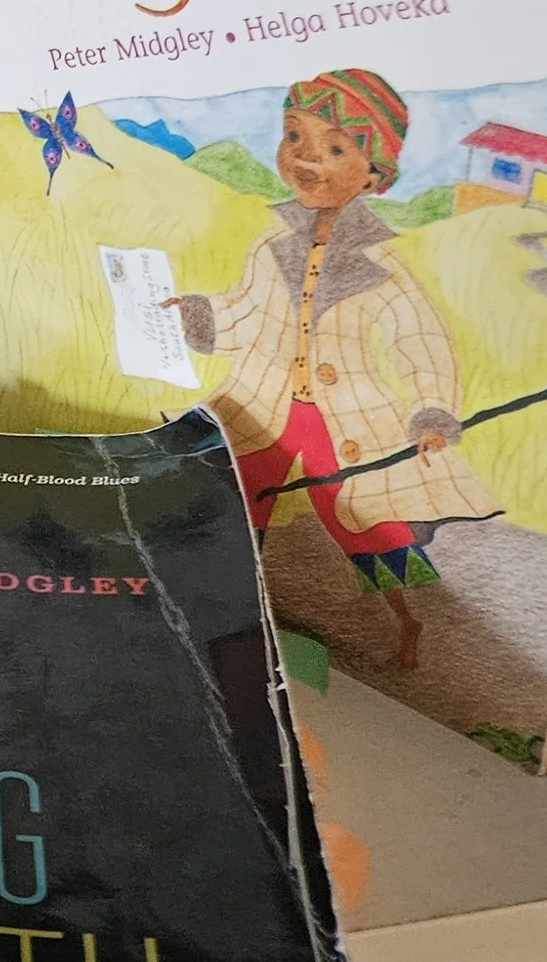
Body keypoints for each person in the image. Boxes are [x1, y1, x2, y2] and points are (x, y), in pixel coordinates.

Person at [168, 67, 496, 670]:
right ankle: (221, 609)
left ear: (373, 174)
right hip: (261, 405)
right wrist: (195, 313)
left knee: (362, 521)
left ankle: (409, 620)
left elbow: (419, 340)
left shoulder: (384, 263)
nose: (307, 158)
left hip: (340, 417)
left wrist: (431, 409)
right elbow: (244, 313)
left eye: (335, 148)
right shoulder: (271, 247)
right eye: (295, 136)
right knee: (235, 502)